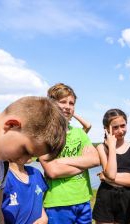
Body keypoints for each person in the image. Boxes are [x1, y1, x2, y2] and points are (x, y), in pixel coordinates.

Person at [0, 96, 67, 223]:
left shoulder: (2, 160)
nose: (23, 160)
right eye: (25, 151)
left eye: (32, 157)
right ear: (11, 125)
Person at [39, 83, 100, 224]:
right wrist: (83, 162)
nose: (68, 106)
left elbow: (95, 160)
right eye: (63, 102)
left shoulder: (79, 132)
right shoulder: (45, 134)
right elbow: (52, 171)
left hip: (83, 199)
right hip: (57, 202)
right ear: (51, 104)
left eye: (71, 103)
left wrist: (61, 161)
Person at [92, 109, 130, 224]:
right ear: (106, 129)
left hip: (125, 198)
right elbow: (111, 173)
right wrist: (112, 147)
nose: (120, 130)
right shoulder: (102, 148)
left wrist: (107, 178)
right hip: (105, 196)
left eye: (123, 125)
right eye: (115, 127)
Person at [0, 158, 48, 224]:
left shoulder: (35, 173)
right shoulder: (3, 178)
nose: (31, 151)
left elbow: (39, 202)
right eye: (24, 148)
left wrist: (44, 218)